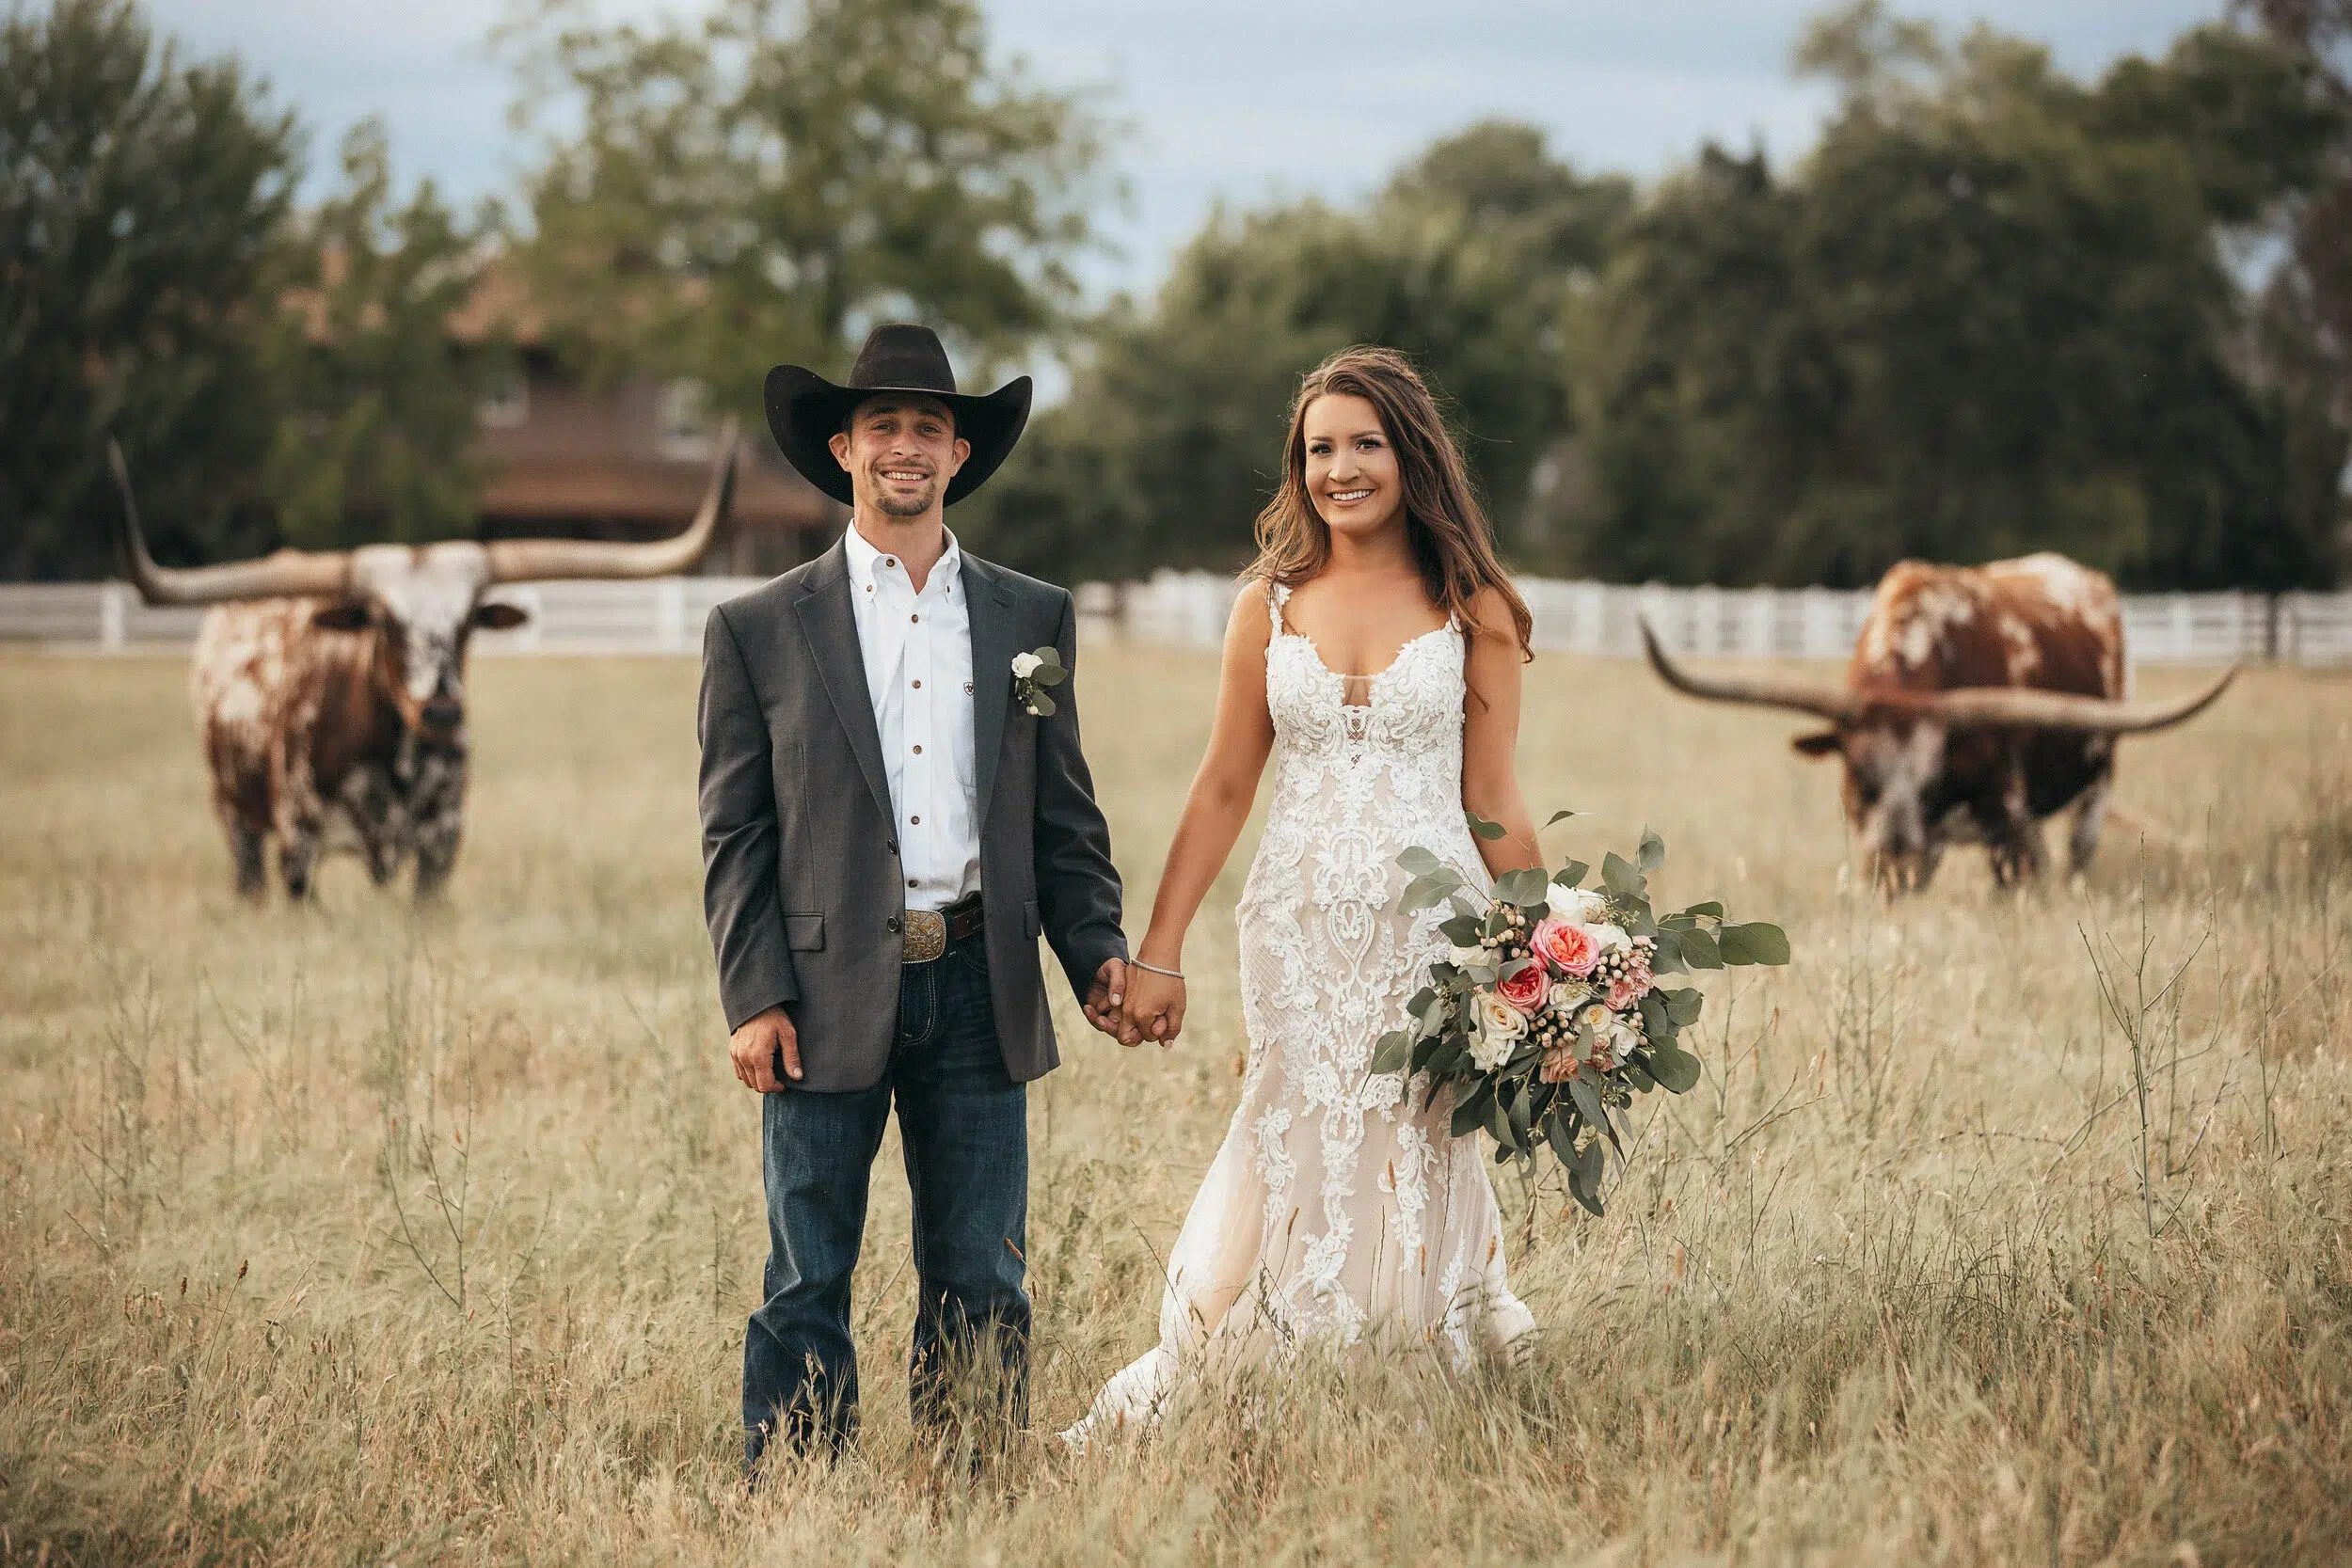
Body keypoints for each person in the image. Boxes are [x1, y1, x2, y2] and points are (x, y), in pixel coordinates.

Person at [1069, 344, 1539, 1441]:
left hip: (1435, 931)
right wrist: (1160, 943)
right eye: (1319, 448)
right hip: (1294, 925)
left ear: (1410, 454)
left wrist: (1542, 957)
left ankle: (1410, 1367)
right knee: (1295, 1118)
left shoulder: (1476, 606)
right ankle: (1261, 1356)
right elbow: (1225, 784)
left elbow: (1495, 794)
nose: (1340, 468)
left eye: (1363, 444)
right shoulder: (1266, 608)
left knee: (1413, 1129)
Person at [697, 324, 1137, 1476]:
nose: (906, 445)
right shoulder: (757, 627)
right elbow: (735, 831)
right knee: (807, 1268)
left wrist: (1097, 953)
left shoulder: (1027, 618)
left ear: (958, 454)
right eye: (883, 425)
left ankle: (974, 1485)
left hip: (979, 979)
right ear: (843, 447)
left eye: (928, 427)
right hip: (822, 983)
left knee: (982, 1269)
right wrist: (753, 993)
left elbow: (1062, 813)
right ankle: (799, 1486)